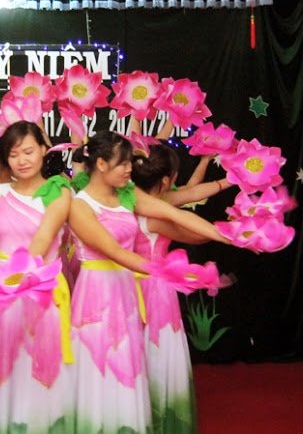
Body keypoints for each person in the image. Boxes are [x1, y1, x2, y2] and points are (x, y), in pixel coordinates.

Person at [68, 130, 232, 433]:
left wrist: (229, 236)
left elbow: (174, 214)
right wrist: (166, 272)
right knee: (102, 365)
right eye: (123, 163)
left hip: (126, 292)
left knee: (130, 367)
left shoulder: (127, 194)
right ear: (101, 164)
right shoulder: (79, 205)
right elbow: (115, 252)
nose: (130, 169)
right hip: (97, 293)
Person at [0, 121, 74, 432]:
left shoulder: (59, 191)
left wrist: (17, 279)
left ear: (43, 149)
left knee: (40, 365)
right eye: (13, 155)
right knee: (2, 364)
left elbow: (43, 239)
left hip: (41, 288)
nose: (22, 161)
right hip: (0, 292)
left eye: (28, 152)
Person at [131, 143, 232, 434]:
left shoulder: (132, 199)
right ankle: (155, 415)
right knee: (156, 352)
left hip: (128, 284)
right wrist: (230, 231)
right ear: (165, 180)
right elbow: (192, 235)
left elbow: (192, 192)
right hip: (153, 289)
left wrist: (232, 179)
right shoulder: (155, 215)